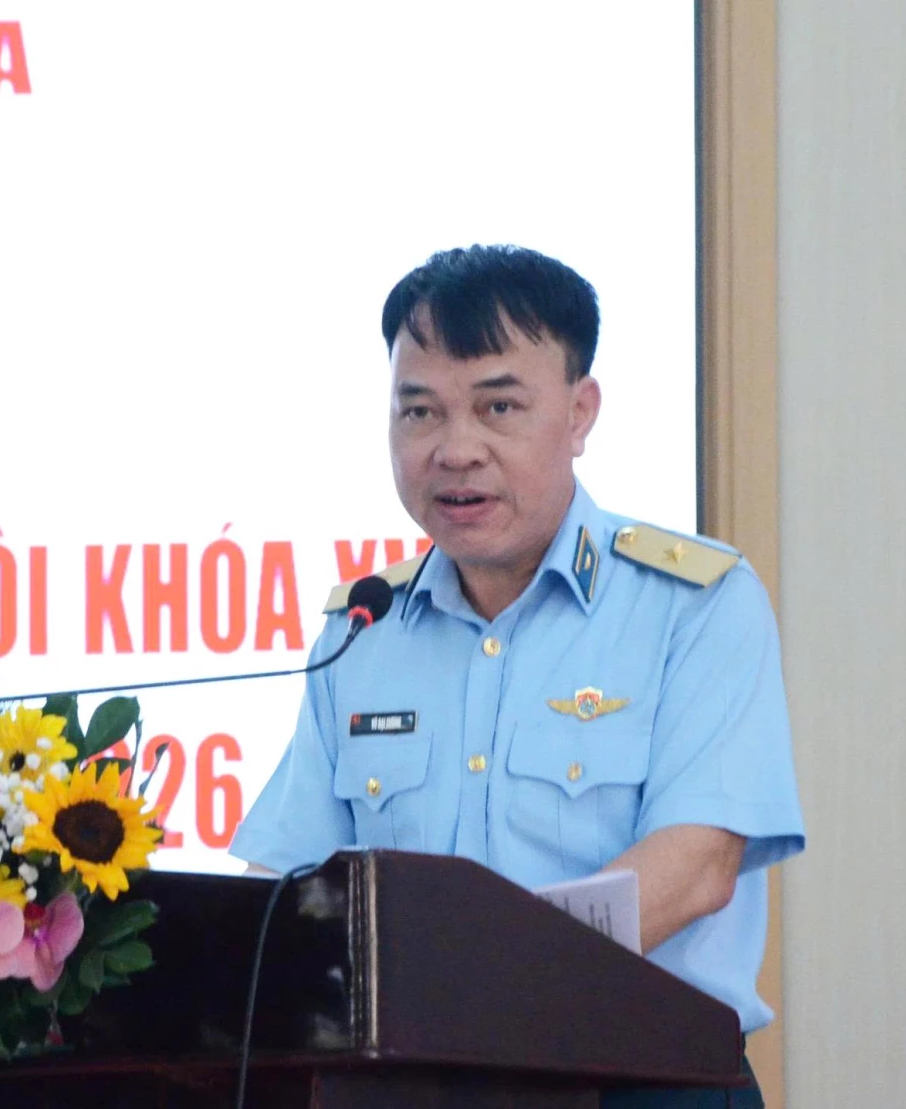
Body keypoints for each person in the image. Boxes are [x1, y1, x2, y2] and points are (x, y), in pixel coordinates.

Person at [229, 245, 803, 1109]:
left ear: (579, 413)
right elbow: (285, 887)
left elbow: (695, 867)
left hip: (638, 1083)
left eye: (498, 406)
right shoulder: (362, 631)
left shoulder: (696, 604)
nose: (456, 449)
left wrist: (468, 987)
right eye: (419, 411)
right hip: (402, 1090)